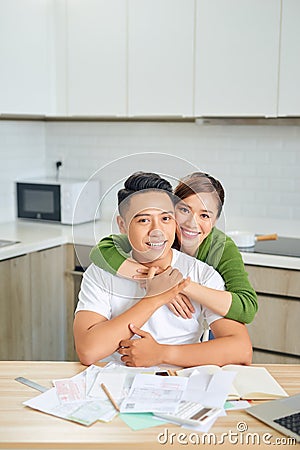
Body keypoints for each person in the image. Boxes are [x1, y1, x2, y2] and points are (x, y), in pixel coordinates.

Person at [74, 172, 252, 367]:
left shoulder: (205, 272)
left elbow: (241, 349)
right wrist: (155, 298)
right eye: (143, 220)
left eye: (165, 219)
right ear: (122, 225)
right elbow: (88, 351)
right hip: (114, 383)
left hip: (181, 382)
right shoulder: (101, 272)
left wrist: (161, 354)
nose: (156, 231)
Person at [90, 172, 258, 324]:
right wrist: (155, 280)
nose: (192, 223)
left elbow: (246, 307)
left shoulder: (220, 247)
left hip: (211, 317)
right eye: (184, 210)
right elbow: (101, 251)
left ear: (214, 222)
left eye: (205, 215)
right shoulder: (158, 235)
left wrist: (175, 285)